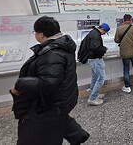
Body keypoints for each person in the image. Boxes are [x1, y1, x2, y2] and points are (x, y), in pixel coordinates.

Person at [10, 16, 89, 145]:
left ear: (41, 34)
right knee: (54, 124)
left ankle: (76, 134)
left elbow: (49, 82)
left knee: (38, 135)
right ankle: (77, 134)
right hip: (58, 101)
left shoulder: (53, 53)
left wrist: (20, 84)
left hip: (48, 104)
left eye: (35, 32)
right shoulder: (61, 46)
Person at [81, 23, 110, 106]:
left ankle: (94, 94)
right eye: (105, 32)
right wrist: (104, 49)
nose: (104, 34)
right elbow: (96, 48)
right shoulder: (96, 35)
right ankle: (92, 98)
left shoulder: (93, 32)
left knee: (95, 78)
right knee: (101, 78)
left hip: (92, 58)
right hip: (95, 59)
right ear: (103, 30)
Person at [114, 14, 133, 93]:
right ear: (131, 19)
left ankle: (127, 87)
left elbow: (116, 40)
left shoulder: (119, 28)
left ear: (123, 20)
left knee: (126, 69)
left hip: (125, 52)